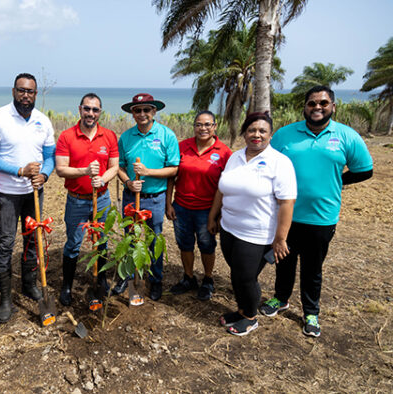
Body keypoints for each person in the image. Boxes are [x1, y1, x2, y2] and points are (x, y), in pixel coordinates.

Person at [260, 86, 373, 337]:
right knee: (283, 260)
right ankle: (281, 298)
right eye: (312, 103)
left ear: (333, 106)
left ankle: (311, 312)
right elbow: (269, 165)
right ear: (305, 107)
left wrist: (337, 181)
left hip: (322, 217)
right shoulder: (285, 135)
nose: (317, 108)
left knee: (313, 267)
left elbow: (365, 170)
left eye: (323, 103)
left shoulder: (346, 136)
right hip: (286, 215)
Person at [208, 112, 297, 336]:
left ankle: (249, 317)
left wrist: (280, 239)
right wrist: (213, 215)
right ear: (244, 133)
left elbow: (287, 202)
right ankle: (240, 310)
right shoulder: (236, 157)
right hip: (229, 228)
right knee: (236, 273)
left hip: (257, 234)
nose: (256, 135)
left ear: (270, 135)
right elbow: (222, 188)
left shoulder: (280, 162)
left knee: (246, 277)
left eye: (262, 131)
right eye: (251, 130)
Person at [0, 73, 56, 324]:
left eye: (31, 92)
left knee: (33, 239)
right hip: (8, 194)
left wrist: (43, 175)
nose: (26, 95)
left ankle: (28, 284)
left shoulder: (43, 121)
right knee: (5, 243)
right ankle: (5, 299)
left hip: (34, 193)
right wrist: (20, 171)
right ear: (13, 91)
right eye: (21, 90)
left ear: (36, 94)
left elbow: (50, 156)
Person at [114, 93, 180, 301]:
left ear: (154, 112)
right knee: (130, 238)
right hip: (131, 197)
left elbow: (174, 169)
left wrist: (148, 172)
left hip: (156, 198)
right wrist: (128, 182)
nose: (142, 114)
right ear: (132, 114)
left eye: (146, 110)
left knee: (154, 240)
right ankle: (127, 275)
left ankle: (156, 279)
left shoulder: (166, 135)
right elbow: (119, 167)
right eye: (137, 110)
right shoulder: (126, 137)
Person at [55, 93, 119, 306]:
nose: (91, 113)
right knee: (73, 244)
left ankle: (100, 279)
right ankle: (66, 285)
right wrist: (84, 171)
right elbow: (61, 169)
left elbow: (114, 167)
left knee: (101, 241)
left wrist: (102, 180)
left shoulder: (109, 136)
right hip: (76, 201)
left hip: (101, 199)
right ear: (80, 109)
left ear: (100, 112)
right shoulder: (66, 136)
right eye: (87, 108)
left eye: (95, 110)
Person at [166, 111, 232, 301]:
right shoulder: (182, 147)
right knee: (184, 244)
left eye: (207, 124)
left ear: (215, 126)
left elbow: (226, 186)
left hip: (207, 210)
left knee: (206, 245)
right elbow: (172, 176)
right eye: (198, 124)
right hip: (181, 207)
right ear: (194, 126)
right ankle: (188, 277)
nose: (203, 128)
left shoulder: (224, 152)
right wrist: (168, 203)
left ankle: (208, 279)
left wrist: (218, 215)